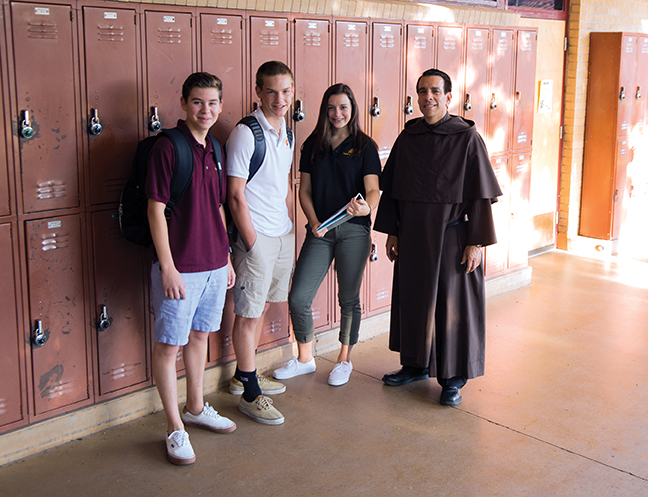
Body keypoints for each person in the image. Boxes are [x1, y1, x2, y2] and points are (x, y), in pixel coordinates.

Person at [374, 69, 502, 406]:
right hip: (413, 238)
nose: (427, 97)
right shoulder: (409, 137)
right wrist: (392, 232)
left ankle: (452, 378)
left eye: (434, 91)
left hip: (451, 238)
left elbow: (480, 195)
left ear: (448, 97)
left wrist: (475, 242)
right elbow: (393, 191)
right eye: (421, 91)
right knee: (414, 302)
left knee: (451, 309)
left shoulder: (467, 138)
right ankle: (415, 364)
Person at [146, 72, 237, 465]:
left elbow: (218, 207)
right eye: (198, 102)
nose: (206, 110)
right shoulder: (168, 148)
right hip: (181, 268)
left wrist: (227, 258)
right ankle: (174, 428)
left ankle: (196, 408)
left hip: (215, 265)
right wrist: (167, 267)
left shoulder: (215, 148)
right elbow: (155, 209)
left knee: (201, 337)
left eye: (213, 102)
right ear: (183, 102)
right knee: (170, 346)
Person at [272, 84, 381, 387]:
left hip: (353, 231)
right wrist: (314, 221)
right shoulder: (313, 145)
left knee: (348, 298)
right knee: (298, 297)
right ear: (324, 110)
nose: (337, 114)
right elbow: (303, 191)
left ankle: (344, 359)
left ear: (353, 109)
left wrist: (365, 208)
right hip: (320, 230)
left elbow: (373, 190)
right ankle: (305, 358)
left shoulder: (364, 146)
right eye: (331, 108)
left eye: (343, 107)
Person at [226, 61, 295, 425]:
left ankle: (242, 374)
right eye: (271, 91)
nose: (279, 98)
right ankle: (250, 394)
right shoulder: (245, 133)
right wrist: (252, 242)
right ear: (258, 92)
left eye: (285, 91)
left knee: (264, 305)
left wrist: (289, 228)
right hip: (257, 237)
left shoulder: (287, 130)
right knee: (248, 314)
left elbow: (284, 181)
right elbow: (235, 195)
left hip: (280, 233)